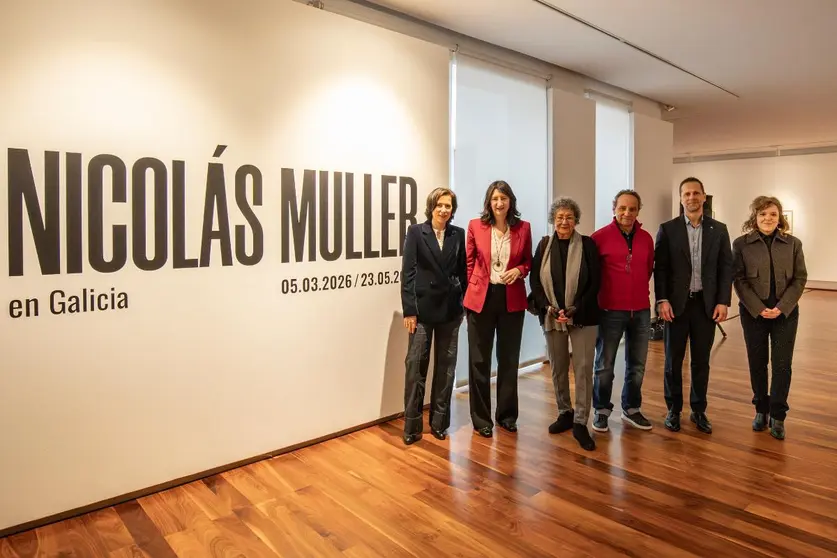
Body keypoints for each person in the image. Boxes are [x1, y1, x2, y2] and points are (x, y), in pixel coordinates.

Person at [654, 177, 733, 434]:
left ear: (703, 196)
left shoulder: (719, 230)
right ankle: (673, 410)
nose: (691, 197)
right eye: (686, 193)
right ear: (680, 198)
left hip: (705, 306)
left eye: (696, 193)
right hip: (676, 306)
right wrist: (661, 300)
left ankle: (698, 410)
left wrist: (723, 300)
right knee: (672, 361)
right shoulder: (668, 229)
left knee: (701, 362)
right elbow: (661, 269)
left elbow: (725, 268)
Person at [733, 196, 807, 440]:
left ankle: (778, 415)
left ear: (780, 217)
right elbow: (740, 280)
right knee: (758, 363)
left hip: (785, 314)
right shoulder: (741, 244)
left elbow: (799, 279)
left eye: (773, 214)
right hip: (753, 314)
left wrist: (782, 307)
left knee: (782, 365)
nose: (768, 218)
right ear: (755, 217)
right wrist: (758, 307)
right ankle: (760, 410)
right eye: (763, 214)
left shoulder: (794, 243)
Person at [529, 197, 600, 451]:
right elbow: (535, 282)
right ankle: (565, 413)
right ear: (553, 220)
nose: (564, 221)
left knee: (582, 370)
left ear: (576, 220)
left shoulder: (588, 245)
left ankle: (581, 422)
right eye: (559, 217)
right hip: (551, 315)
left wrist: (575, 308)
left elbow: (595, 283)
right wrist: (549, 307)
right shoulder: (544, 245)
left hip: (582, 316)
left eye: (569, 217)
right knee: (558, 367)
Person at [464, 180, 532, 437]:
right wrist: (473, 291)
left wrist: (519, 270)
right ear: (488, 203)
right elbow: (469, 264)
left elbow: (528, 261)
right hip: (482, 299)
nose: (499, 203)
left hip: (511, 299)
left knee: (508, 360)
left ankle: (506, 416)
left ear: (510, 201)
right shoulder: (475, 226)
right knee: (479, 361)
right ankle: (481, 419)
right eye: (495, 199)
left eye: (503, 198)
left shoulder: (523, 228)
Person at [400, 187, 468, 445]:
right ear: (431, 206)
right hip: (422, 313)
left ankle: (440, 423)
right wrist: (409, 309)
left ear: (453, 209)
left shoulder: (458, 234)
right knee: (415, 368)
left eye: (448, 205)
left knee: (446, 369)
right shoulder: (417, 232)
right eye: (440, 204)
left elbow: (463, 272)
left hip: (450, 311)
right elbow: (408, 273)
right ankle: (412, 425)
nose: (443, 209)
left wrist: (461, 302)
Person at [590, 189, 655, 433]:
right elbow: (593, 275)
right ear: (614, 209)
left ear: (638, 211)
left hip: (640, 310)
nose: (627, 213)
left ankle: (631, 409)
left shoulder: (647, 238)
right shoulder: (599, 238)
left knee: (637, 365)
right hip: (609, 310)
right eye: (622, 208)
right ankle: (602, 410)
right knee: (605, 364)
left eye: (632, 209)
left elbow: (648, 269)